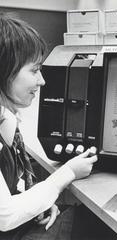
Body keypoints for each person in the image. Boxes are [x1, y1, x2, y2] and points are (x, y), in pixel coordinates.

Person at [0, 13, 101, 240]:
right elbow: (4, 216)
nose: (42, 81)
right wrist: (67, 173)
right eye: (34, 70)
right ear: (4, 72)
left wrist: (39, 204)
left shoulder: (7, 122)